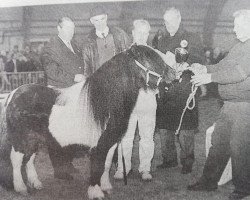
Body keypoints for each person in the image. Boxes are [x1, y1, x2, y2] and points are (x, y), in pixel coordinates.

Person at [187, 9, 250, 200]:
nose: (234, 30)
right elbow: (223, 66)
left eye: (239, 26)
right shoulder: (239, 47)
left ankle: (243, 189)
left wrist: (209, 77)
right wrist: (203, 67)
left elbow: (238, 73)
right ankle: (209, 182)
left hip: (245, 106)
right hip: (230, 105)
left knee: (240, 147)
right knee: (218, 143)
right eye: (234, 25)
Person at [152, 7, 204, 174]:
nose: (169, 25)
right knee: (164, 126)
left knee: (185, 127)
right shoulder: (160, 37)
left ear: (179, 19)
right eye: (166, 22)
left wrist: (182, 63)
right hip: (165, 88)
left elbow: (199, 59)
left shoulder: (192, 37)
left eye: (172, 21)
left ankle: (187, 161)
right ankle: (169, 159)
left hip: (184, 87)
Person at [40, 17, 85, 180]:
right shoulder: (50, 46)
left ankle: (67, 162)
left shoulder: (75, 45)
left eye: (73, 28)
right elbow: (51, 71)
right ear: (58, 28)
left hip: (73, 92)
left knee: (71, 130)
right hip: (58, 93)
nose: (71, 31)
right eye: (67, 28)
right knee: (58, 132)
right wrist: (73, 77)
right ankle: (59, 169)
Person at [114, 19, 156, 181]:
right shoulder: (124, 54)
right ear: (132, 33)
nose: (142, 36)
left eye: (146, 32)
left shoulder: (154, 54)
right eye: (139, 32)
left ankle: (145, 168)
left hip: (148, 99)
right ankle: (123, 168)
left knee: (147, 136)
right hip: (128, 100)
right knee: (125, 136)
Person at [82, 5, 131, 77]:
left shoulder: (120, 34)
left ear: (106, 17)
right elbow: (87, 69)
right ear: (91, 21)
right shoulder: (87, 43)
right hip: (100, 81)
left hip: (120, 79)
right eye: (96, 20)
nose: (100, 23)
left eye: (102, 19)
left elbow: (129, 57)